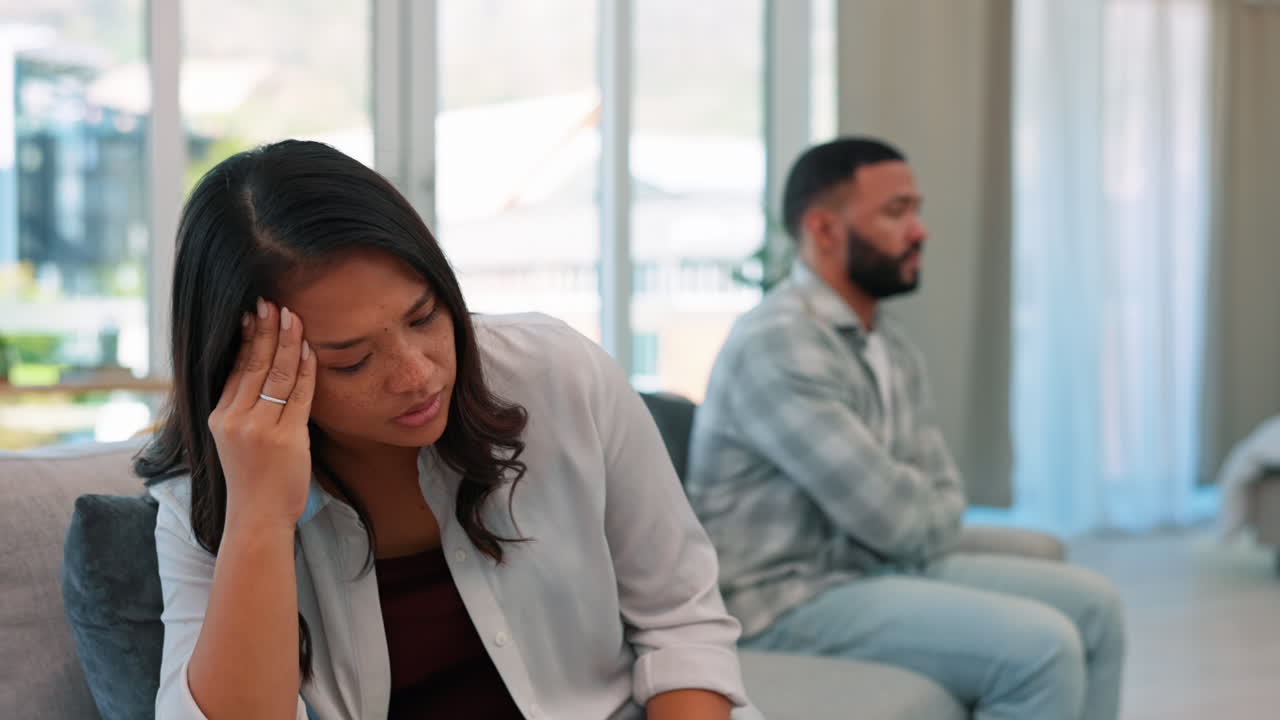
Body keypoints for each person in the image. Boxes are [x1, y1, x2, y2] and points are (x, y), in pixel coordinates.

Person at [137, 140, 753, 719]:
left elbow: (682, 622)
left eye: (425, 316)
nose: (417, 375)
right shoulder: (211, 496)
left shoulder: (558, 374)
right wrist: (260, 514)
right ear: (250, 367)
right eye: (351, 360)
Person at [686, 137, 1125, 720]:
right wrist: (917, 514)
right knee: (1042, 648)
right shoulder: (779, 342)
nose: (920, 230)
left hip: (872, 570)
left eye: (915, 209)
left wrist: (918, 514)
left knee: (1097, 607)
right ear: (823, 230)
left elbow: (942, 492)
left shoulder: (887, 342)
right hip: (783, 600)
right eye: (896, 212)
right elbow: (890, 518)